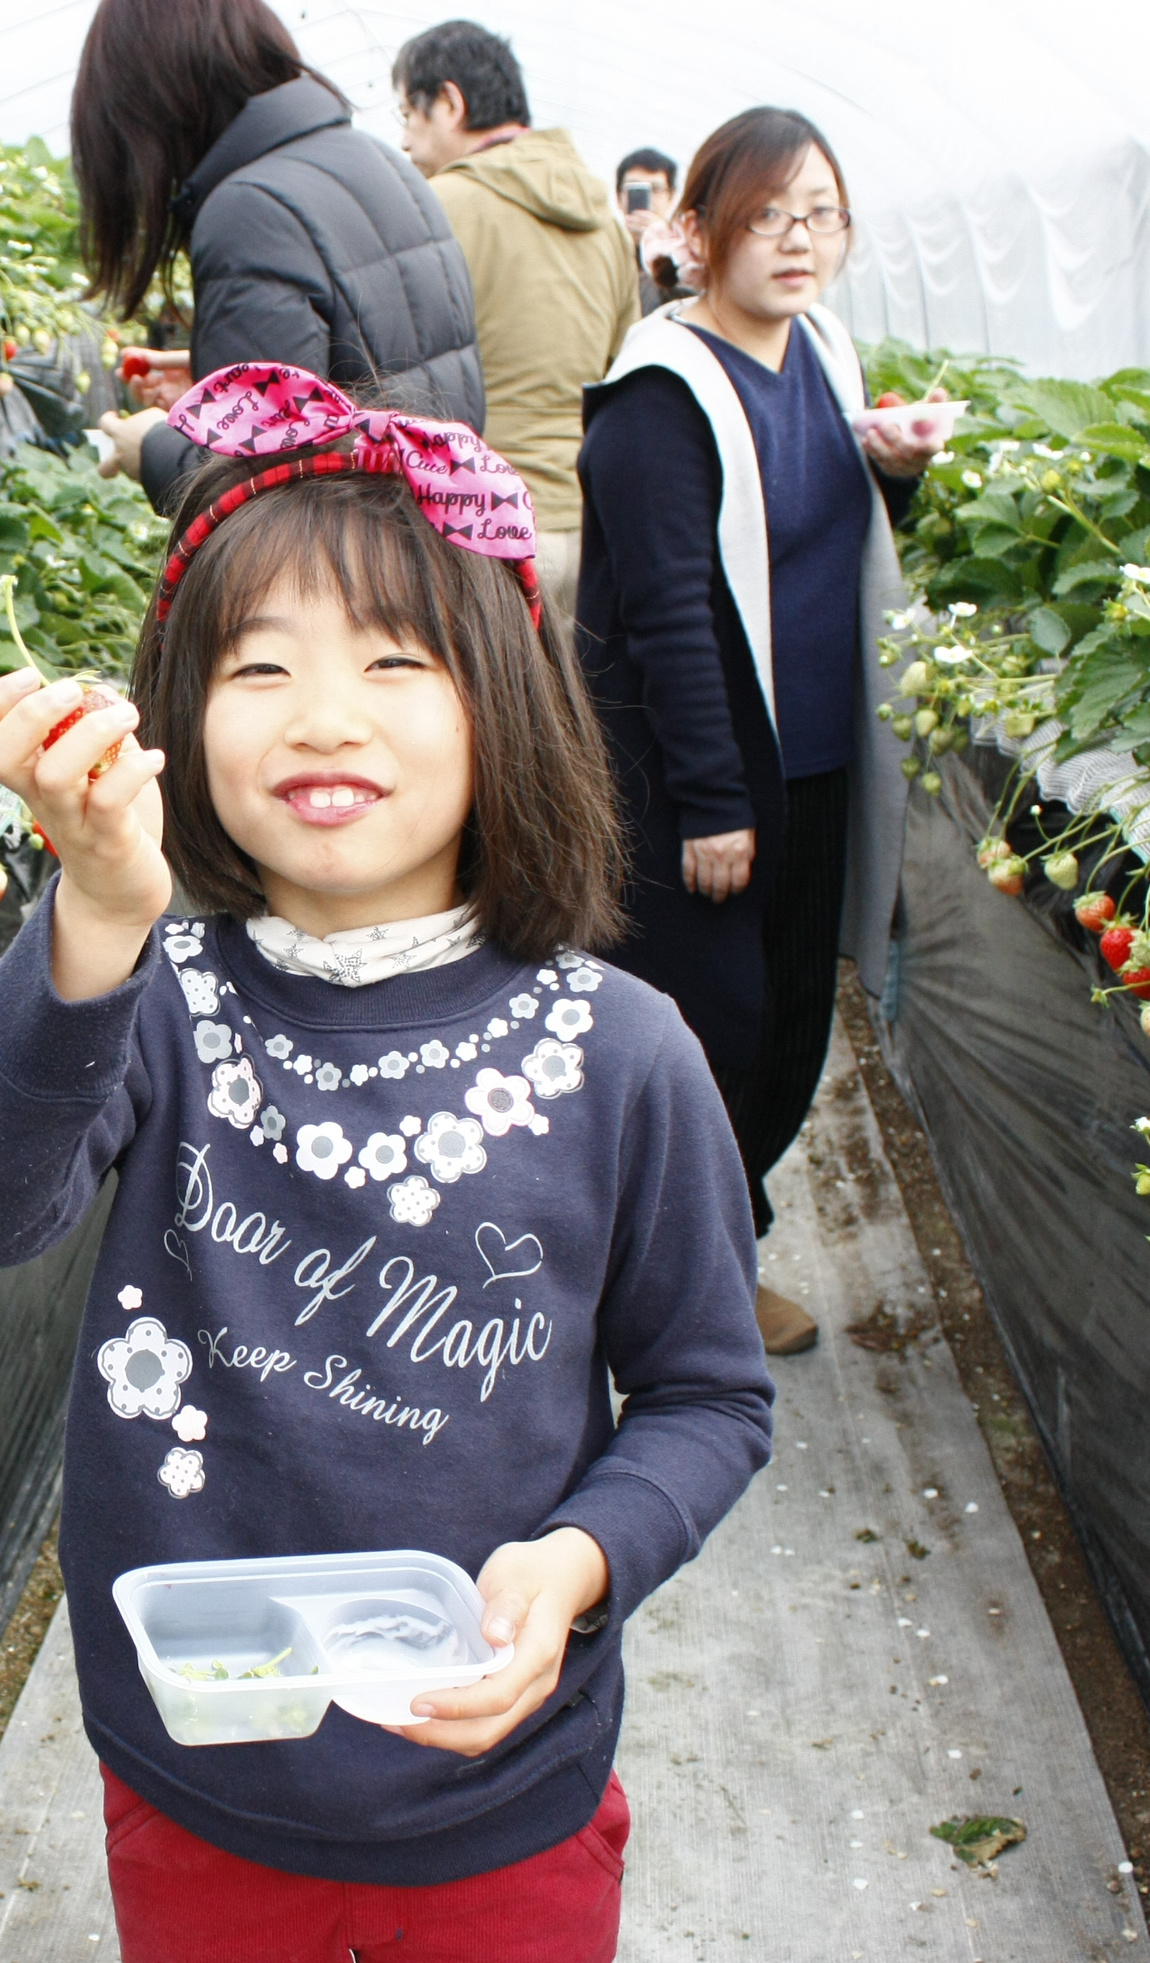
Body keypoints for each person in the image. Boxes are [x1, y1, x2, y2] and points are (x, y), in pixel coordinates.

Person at [0, 360, 774, 1963]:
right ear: (177, 718)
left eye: (393, 660)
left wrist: (579, 1564)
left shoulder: (620, 1055)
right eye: (259, 665)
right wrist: (96, 914)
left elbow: (709, 1396)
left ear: (503, 701)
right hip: (200, 1770)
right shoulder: (152, 997)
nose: (322, 715)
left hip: (496, 1790)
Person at [573, 108, 946, 1355]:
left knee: (792, 1026)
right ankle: (669, 1295)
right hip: (709, 780)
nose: (799, 240)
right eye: (767, 215)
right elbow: (671, 611)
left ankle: (712, 1255)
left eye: (821, 215)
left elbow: (822, 537)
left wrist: (894, 472)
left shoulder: (823, 352)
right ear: (697, 231)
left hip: (815, 759)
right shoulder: (660, 396)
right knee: (709, 1032)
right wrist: (714, 799)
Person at [72, 0, 486, 515]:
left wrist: (152, 445)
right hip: (426, 542)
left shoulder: (249, 209)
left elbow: (258, 496)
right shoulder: (380, 161)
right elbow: (375, 373)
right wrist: (214, 375)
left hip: (345, 560)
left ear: (154, 103)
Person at [388, 20, 637, 629]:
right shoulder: (606, 225)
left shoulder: (439, 206)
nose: (405, 142)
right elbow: (624, 370)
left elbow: (392, 369)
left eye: (408, 116)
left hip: (481, 523)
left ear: (450, 103)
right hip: (590, 524)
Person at [612, 147, 691, 310]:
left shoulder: (686, 252)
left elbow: (688, 304)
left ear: (671, 197)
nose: (647, 198)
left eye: (656, 189)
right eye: (635, 189)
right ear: (619, 197)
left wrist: (659, 244)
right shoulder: (604, 246)